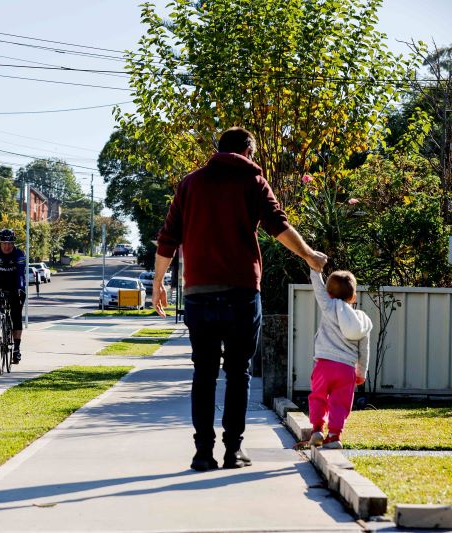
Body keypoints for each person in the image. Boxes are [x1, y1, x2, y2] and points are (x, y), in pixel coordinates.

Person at [152, 127, 328, 471]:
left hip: (199, 293)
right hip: (241, 292)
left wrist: (160, 281)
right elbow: (278, 226)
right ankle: (233, 451)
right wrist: (308, 255)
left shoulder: (190, 184)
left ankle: (203, 453)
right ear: (247, 150)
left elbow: (168, 236)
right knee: (238, 373)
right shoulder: (252, 181)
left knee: (203, 373)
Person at [308, 269, 372, 449]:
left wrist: (315, 270)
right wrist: (361, 372)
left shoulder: (329, 306)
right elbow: (364, 350)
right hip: (346, 369)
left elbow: (318, 289)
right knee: (340, 403)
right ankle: (334, 436)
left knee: (318, 396)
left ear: (329, 294)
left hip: (324, 365)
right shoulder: (362, 321)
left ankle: (317, 428)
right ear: (354, 297)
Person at [0, 228, 26, 364]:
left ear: (14, 244)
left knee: (16, 316)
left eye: (10, 243)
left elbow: (20, 273)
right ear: (0, 243)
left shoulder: (19, 253)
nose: (7, 246)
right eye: (4, 243)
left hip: (15, 283)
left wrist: (20, 289)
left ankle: (17, 349)